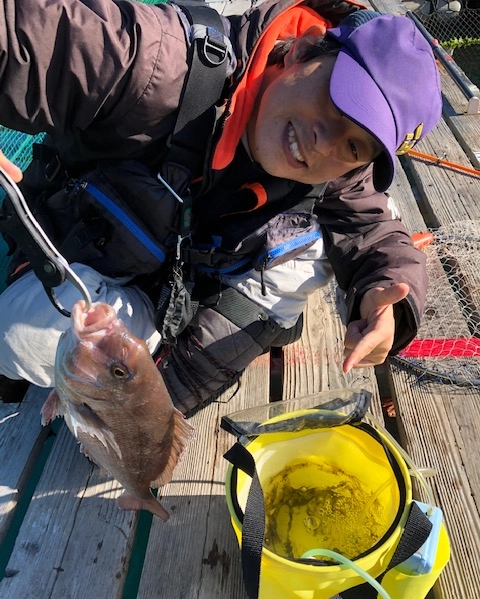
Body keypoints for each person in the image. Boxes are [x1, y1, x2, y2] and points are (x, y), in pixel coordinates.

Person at [0, 0, 442, 415]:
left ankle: (158, 407)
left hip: (181, 279)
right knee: (24, 335)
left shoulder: (339, 171)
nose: (324, 144)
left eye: (354, 145)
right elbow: (25, 38)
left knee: (314, 249)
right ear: (303, 49)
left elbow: (373, 230)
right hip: (81, 263)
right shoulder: (154, 63)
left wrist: (385, 301)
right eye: (336, 101)